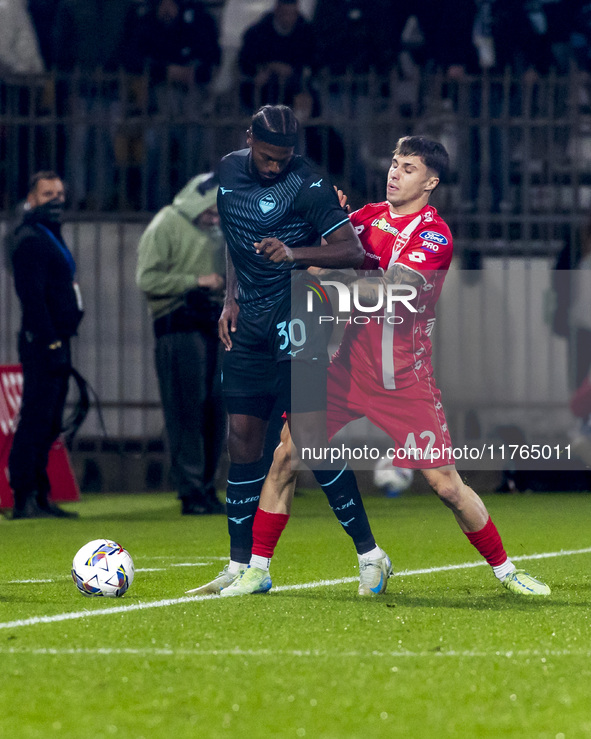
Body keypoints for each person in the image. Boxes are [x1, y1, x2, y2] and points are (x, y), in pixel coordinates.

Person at [220, 135, 551, 598]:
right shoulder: (365, 217)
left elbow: (391, 291)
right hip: (346, 368)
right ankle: (259, 569)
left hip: (403, 381)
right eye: (394, 164)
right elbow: (316, 260)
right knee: (286, 455)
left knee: (445, 485)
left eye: (408, 168)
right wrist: (321, 228)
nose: (395, 173)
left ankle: (506, 570)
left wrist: (336, 267)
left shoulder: (434, 235)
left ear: (430, 182)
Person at [187, 104, 392, 597]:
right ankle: (241, 568)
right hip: (248, 323)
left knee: (310, 437)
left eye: (283, 158)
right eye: (267, 156)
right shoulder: (229, 172)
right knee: (241, 439)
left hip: (301, 313)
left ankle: (371, 555)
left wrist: (294, 252)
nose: (275, 166)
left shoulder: (310, 184)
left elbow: (351, 251)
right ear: (248, 141)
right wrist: (230, 298)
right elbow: (239, 243)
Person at [136, 172, 226, 515]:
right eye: (210, 211)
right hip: (177, 328)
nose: (214, 219)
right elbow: (146, 278)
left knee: (216, 410)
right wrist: (196, 281)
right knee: (186, 409)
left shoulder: (218, 231)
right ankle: (191, 491)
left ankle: (207, 487)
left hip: (213, 326)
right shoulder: (166, 224)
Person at [7, 171, 84, 519]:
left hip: (56, 340)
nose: (56, 199)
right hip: (42, 342)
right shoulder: (29, 239)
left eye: (59, 192)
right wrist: (51, 341)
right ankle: (23, 495)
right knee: (36, 418)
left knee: (50, 419)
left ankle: (40, 493)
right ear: (32, 198)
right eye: (47, 194)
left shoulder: (47, 235)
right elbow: (32, 298)